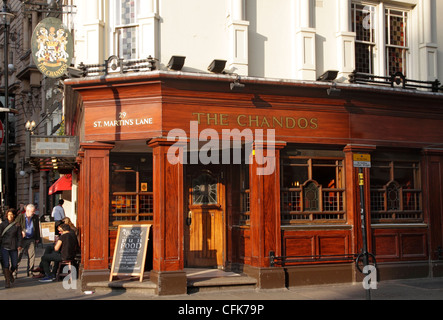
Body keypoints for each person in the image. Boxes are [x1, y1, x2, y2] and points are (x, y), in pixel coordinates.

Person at [16, 204, 41, 277]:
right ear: (27, 211)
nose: (34, 213)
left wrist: (37, 238)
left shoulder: (35, 218)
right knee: (19, 255)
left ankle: (30, 271)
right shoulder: (20, 217)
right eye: (32, 211)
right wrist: (20, 232)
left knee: (32, 255)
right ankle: (15, 271)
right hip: (22, 239)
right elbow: (15, 226)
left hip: (31, 238)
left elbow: (37, 228)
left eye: (34, 211)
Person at [0, 209, 23, 288]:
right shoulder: (3, 224)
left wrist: (19, 245)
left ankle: (10, 273)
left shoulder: (17, 225)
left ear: (14, 215)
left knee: (14, 263)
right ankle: (7, 281)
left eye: (11, 214)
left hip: (13, 246)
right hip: (4, 246)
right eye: (9, 214)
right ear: (6, 215)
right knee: (6, 263)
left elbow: (19, 236)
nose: (10, 216)